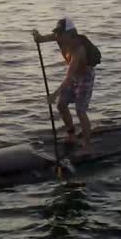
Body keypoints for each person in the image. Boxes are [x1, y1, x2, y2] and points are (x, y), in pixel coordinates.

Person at [32, 17, 98, 147]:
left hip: (85, 77)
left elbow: (68, 78)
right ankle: (71, 135)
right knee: (61, 105)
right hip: (73, 77)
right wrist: (38, 37)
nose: (58, 35)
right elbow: (45, 38)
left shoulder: (79, 50)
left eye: (61, 33)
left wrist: (54, 95)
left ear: (71, 33)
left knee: (80, 111)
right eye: (57, 32)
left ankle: (88, 146)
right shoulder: (60, 38)